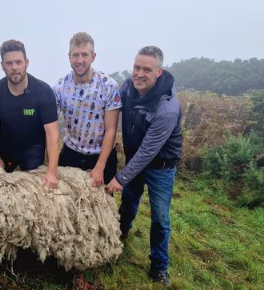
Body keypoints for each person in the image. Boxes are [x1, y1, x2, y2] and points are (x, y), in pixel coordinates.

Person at [106, 46, 183, 286]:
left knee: (160, 217)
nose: (139, 74)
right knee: (128, 203)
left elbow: (149, 151)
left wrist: (121, 178)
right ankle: (120, 236)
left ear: (158, 72)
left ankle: (159, 267)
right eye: (136, 67)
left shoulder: (167, 108)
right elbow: (109, 112)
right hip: (134, 159)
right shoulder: (127, 88)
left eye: (147, 70)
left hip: (160, 166)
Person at [0, 39, 59, 188]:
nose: (14, 67)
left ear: (26, 62)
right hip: (6, 148)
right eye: (9, 63)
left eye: (19, 62)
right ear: (2, 66)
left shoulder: (43, 92)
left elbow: (52, 135)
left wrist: (51, 171)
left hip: (33, 149)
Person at [52, 32, 121, 187]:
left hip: (101, 154)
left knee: (102, 205)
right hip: (72, 152)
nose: (80, 60)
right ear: (69, 56)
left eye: (85, 55)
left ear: (93, 56)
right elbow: (51, 128)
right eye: (75, 55)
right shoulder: (59, 88)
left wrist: (100, 167)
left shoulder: (109, 85)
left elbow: (111, 129)